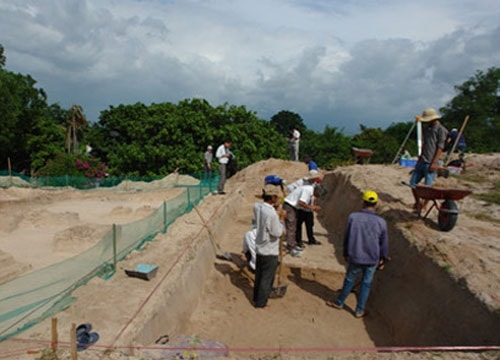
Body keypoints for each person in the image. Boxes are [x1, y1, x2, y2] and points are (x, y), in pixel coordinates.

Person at [326, 190, 389, 318]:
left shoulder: (353, 217)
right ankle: (359, 310)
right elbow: (384, 242)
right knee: (366, 284)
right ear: (375, 204)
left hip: (355, 255)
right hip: (372, 258)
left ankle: (339, 302)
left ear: (363, 202)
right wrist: (383, 259)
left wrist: (345, 253)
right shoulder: (381, 222)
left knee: (349, 279)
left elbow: (347, 237)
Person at [253, 184, 286, 308]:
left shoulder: (258, 207)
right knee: (266, 279)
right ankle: (261, 303)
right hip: (269, 250)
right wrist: (281, 219)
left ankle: (256, 297)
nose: (277, 199)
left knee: (259, 276)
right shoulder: (271, 214)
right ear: (272, 197)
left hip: (259, 247)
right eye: (276, 197)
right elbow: (277, 232)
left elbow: (261, 207)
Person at [409, 108, 448, 211]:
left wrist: (434, 163)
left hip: (431, 162)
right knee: (413, 184)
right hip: (422, 160)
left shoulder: (441, 130)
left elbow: (440, 147)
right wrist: (420, 157)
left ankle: (424, 205)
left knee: (428, 187)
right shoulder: (428, 129)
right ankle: (418, 202)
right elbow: (424, 144)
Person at [283, 170, 322, 255]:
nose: (316, 196)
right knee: (291, 226)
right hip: (290, 206)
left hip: (293, 206)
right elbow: (301, 202)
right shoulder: (308, 190)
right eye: (317, 195)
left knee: (294, 225)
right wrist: (312, 207)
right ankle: (291, 247)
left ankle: (293, 244)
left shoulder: (310, 188)